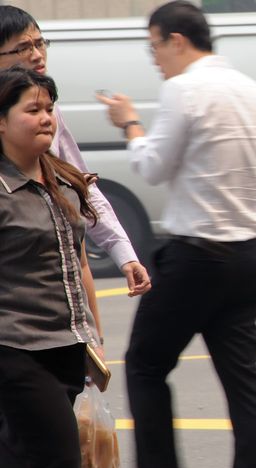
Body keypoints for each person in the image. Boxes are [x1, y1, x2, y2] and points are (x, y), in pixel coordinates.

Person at [95, 2, 256, 468]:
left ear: (177, 40)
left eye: (154, 46)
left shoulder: (183, 89)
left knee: (145, 366)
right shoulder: (254, 91)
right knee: (243, 383)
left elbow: (152, 166)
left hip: (196, 258)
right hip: (247, 258)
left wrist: (130, 123)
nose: (154, 58)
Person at [0, 5, 152, 298]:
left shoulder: (51, 117)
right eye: (23, 47)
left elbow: (81, 187)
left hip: (52, 284)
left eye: (40, 42)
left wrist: (124, 254)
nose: (37, 53)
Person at [0, 66, 102, 468]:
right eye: (32, 109)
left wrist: (95, 340)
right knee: (60, 459)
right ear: (2, 122)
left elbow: (78, 263)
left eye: (49, 108)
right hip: (16, 349)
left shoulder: (59, 177)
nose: (45, 118)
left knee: (20, 458)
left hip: (67, 347)